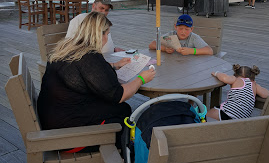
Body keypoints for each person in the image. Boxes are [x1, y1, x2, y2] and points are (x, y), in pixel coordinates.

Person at [37, 12, 156, 149]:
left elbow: (80, 71)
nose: (106, 39)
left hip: (53, 118)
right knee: (122, 110)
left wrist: (114, 65)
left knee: (119, 109)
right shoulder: (89, 56)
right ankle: (121, 153)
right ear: (99, 34)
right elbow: (119, 95)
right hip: (67, 133)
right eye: (107, 34)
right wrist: (141, 79)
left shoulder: (68, 47)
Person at [149, 14, 213, 55]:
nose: (183, 32)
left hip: (190, 66)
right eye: (181, 28)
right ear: (175, 27)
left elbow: (209, 51)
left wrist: (191, 51)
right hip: (172, 64)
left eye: (186, 29)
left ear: (191, 29)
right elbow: (152, 45)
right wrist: (164, 49)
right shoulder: (170, 35)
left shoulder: (194, 37)